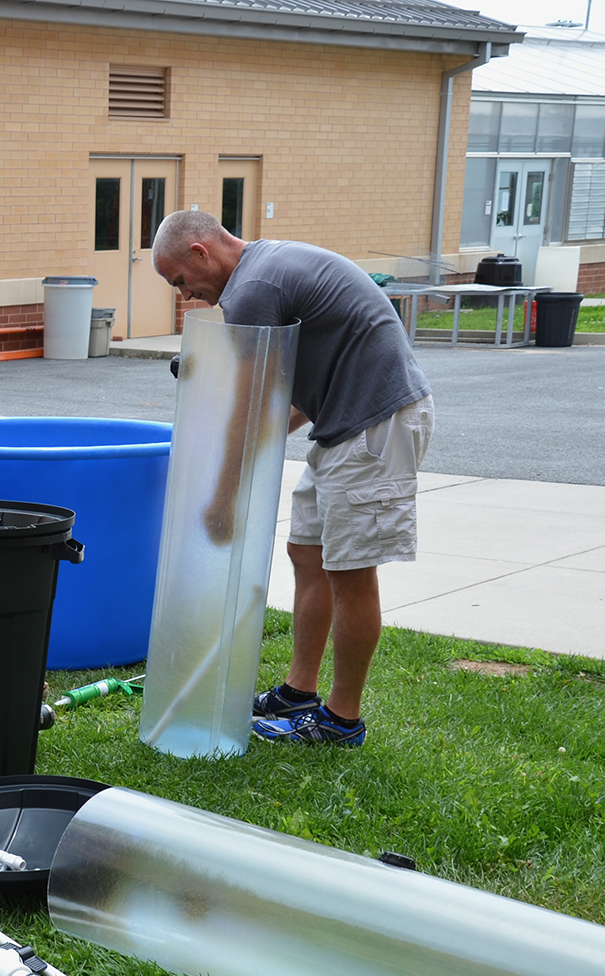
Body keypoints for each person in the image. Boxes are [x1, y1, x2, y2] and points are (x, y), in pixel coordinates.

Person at [150, 210, 434, 747]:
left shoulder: (251, 290)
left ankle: (340, 720)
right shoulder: (266, 268)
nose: (186, 295)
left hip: (376, 424)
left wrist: (223, 495)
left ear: (200, 253)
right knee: (308, 553)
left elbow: (250, 405)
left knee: (350, 572)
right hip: (342, 424)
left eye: (180, 281)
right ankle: (298, 692)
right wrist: (260, 437)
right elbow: (284, 400)